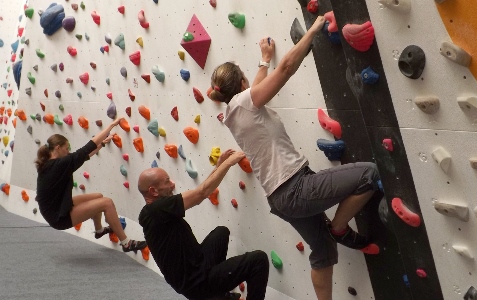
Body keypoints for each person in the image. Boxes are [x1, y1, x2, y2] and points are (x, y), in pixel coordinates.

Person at [208, 16, 382, 300]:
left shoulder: (232, 111)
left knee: (323, 251)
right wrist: (313, 29)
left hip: (280, 199)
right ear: (241, 82)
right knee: (369, 174)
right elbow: (286, 68)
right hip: (295, 189)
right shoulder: (245, 103)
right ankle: (338, 227)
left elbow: (256, 89)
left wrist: (264, 61)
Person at [138, 149, 269, 300]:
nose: (172, 184)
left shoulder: (155, 210)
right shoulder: (156, 210)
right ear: (153, 191)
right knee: (258, 260)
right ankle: (211, 293)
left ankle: (219, 295)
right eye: (167, 181)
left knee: (221, 232)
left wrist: (218, 166)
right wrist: (228, 164)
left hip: (197, 267)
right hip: (197, 283)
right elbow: (201, 194)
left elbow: (200, 191)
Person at [35, 117, 147, 252]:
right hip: (58, 216)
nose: (68, 151)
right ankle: (126, 243)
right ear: (57, 148)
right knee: (106, 202)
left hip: (57, 207)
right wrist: (111, 125)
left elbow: (85, 156)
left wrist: (102, 144)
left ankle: (99, 230)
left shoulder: (52, 163)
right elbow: (88, 146)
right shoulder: (59, 165)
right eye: (66, 148)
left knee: (98, 196)